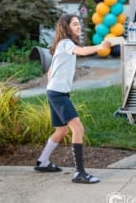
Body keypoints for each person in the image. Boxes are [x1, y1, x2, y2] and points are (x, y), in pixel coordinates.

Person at [34, 14, 111, 184]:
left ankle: (43, 161)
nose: (78, 27)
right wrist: (100, 46)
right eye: (75, 24)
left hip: (54, 91)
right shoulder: (66, 43)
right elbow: (82, 51)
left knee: (62, 130)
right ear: (66, 27)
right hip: (58, 94)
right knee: (78, 129)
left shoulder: (62, 45)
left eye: (79, 24)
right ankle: (79, 173)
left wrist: (55, 83)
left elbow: (49, 71)